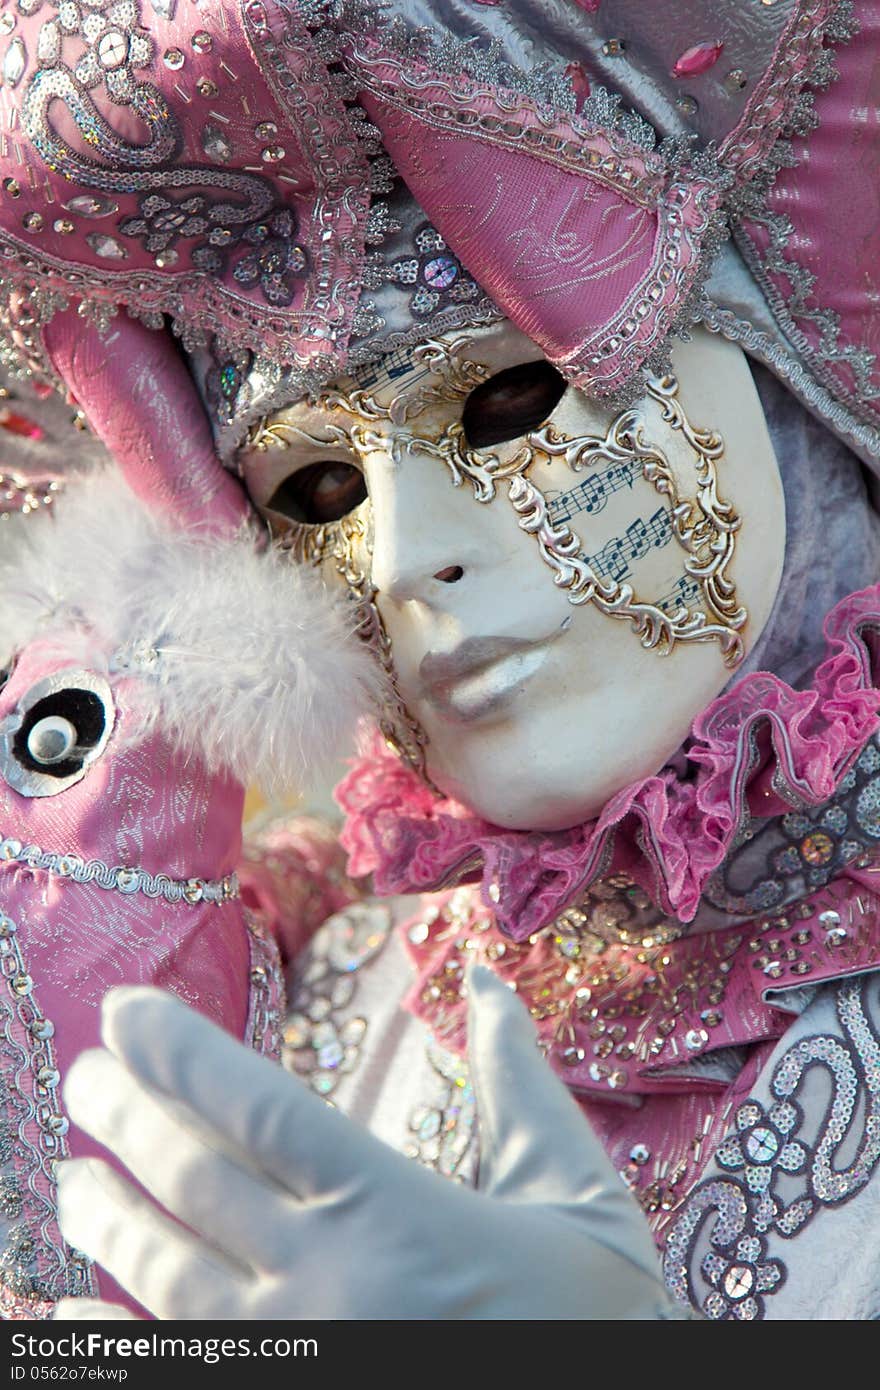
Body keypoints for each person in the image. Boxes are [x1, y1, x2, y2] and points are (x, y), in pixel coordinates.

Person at [0, 0, 879, 1321]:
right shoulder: (309, 995)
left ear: (789, 375)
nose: (409, 559)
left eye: (510, 399)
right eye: (319, 490)